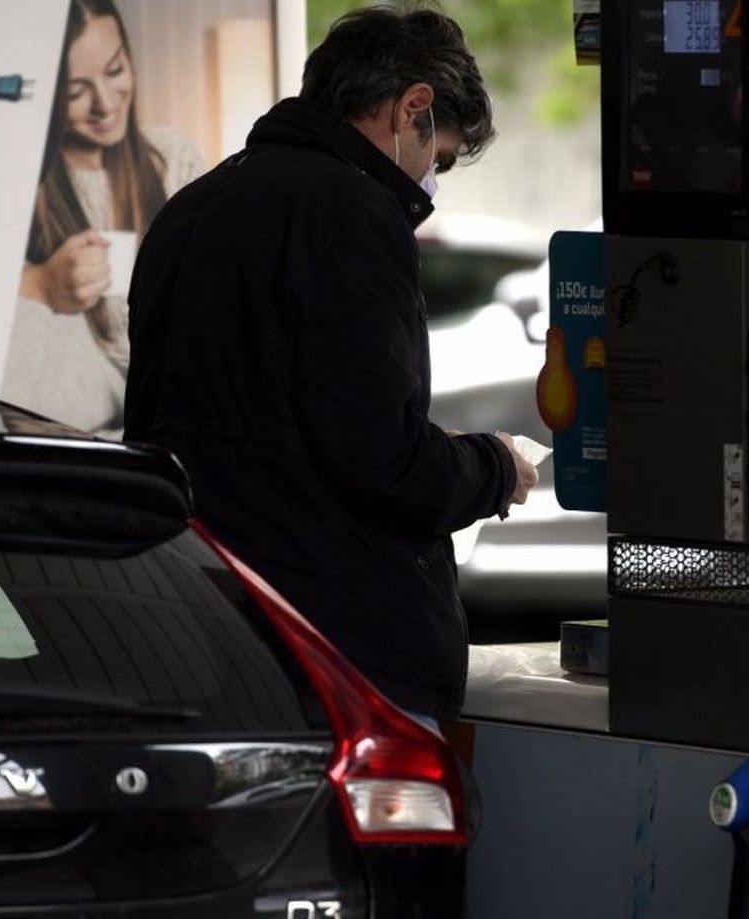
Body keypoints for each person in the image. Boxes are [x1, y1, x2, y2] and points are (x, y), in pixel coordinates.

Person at [124, 6, 539, 727]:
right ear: (414, 106)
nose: (431, 180)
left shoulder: (193, 208)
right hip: (334, 650)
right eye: (437, 157)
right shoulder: (353, 213)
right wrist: (496, 468)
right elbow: (381, 457)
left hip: (201, 626)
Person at [4, 0, 204, 436]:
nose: (104, 104)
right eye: (75, 92)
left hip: (176, 396)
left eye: (115, 70)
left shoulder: (172, 159)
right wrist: (39, 283)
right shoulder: (21, 181)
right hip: (77, 412)